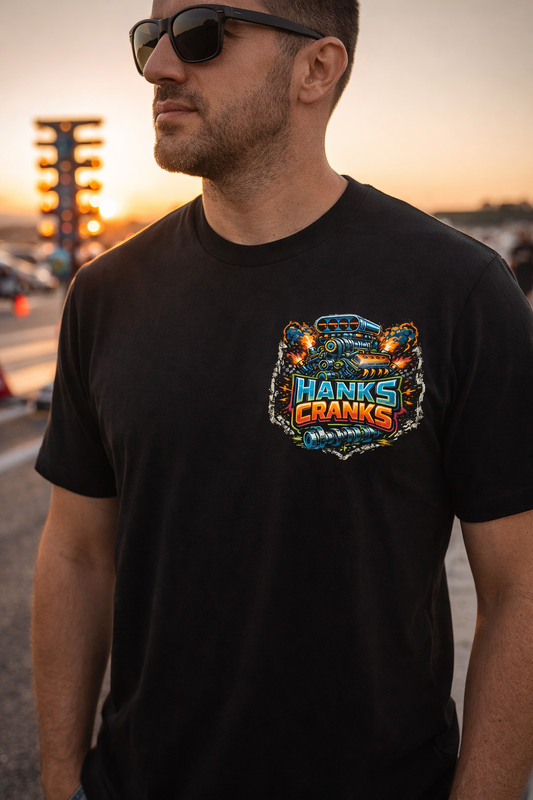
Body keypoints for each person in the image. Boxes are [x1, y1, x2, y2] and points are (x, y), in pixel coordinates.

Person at [31, 1, 533, 799]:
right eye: (148, 39)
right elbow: (76, 553)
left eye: (200, 34)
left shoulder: (457, 292)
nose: (160, 66)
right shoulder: (105, 296)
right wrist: (62, 782)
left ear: (317, 69)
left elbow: (518, 590)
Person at [511, 230, 533, 298]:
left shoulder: (530, 248)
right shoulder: (517, 249)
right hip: (521, 273)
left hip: (527, 274)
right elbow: (513, 263)